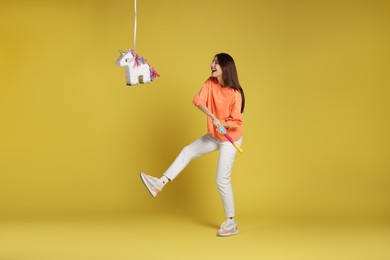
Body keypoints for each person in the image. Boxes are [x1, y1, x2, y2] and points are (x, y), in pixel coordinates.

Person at [140, 53, 245, 237]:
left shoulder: (235, 94)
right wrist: (213, 117)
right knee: (188, 151)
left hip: (230, 139)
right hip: (215, 135)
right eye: (212, 61)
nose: (211, 64)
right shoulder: (210, 82)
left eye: (216, 62)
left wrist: (224, 124)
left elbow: (237, 121)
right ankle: (159, 184)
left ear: (225, 68)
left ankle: (231, 222)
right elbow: (198, 100)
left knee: (221, 179)